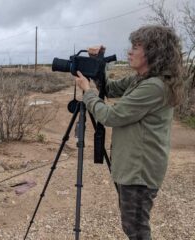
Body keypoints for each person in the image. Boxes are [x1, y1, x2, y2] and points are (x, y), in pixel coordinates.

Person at [74, 25, 184, 240]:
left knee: (136, 229)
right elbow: (111, 88)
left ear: (153, 52)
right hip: (134, 168)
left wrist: (88, 93)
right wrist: (99, 64)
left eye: (136, 47)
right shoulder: (141, 79)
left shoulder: (154, 86)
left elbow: (110, 116)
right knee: (133, 226)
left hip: (140, 171)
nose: (129, 52)